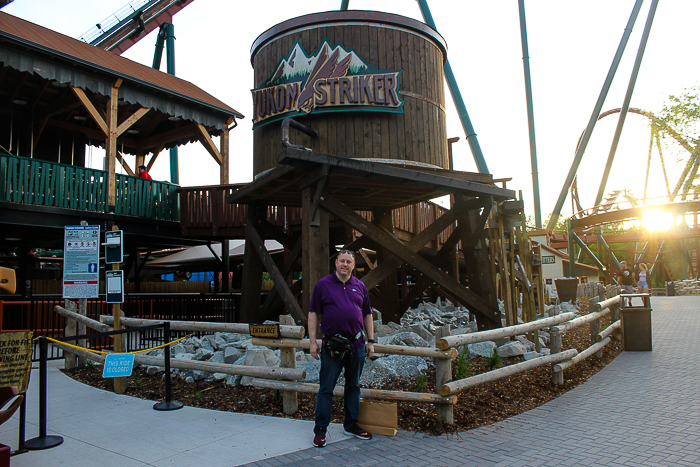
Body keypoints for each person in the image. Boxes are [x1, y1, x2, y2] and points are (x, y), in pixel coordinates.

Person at [308, 249, 374, 448]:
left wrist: (370, 340)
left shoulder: (360, 286)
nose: (345, 264)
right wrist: (312, 342)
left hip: (356, 345)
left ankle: (351, 424)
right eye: (342, 261)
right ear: (335, 263)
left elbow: (367, 314)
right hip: (332, 345)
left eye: (349, 262)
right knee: (326, 388)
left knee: (353, 386)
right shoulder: (323, 285)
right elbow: (313, 313)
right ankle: (321, 429)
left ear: (354, 266)